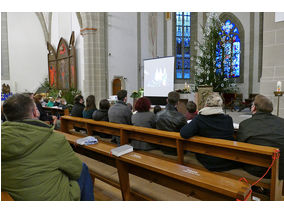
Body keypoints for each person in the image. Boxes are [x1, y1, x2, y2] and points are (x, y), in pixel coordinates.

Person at [1, 94, 94, 201]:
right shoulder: (54, 140)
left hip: (15, 197)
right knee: (82, 168)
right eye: (36, 107)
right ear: (35, 112)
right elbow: (76, 170)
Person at [180, 92, 241, 172]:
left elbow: (184, 133)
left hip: (208, 160)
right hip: (226, 159)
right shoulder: (228, 119)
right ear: (220, 106)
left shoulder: (200, 118)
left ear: (206, 105)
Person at [237, 94, 284, 180]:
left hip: (256, 170)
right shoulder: (282, 122)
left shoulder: (245, 124)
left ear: (254, 108)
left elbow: (240, 148)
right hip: (281, 170)